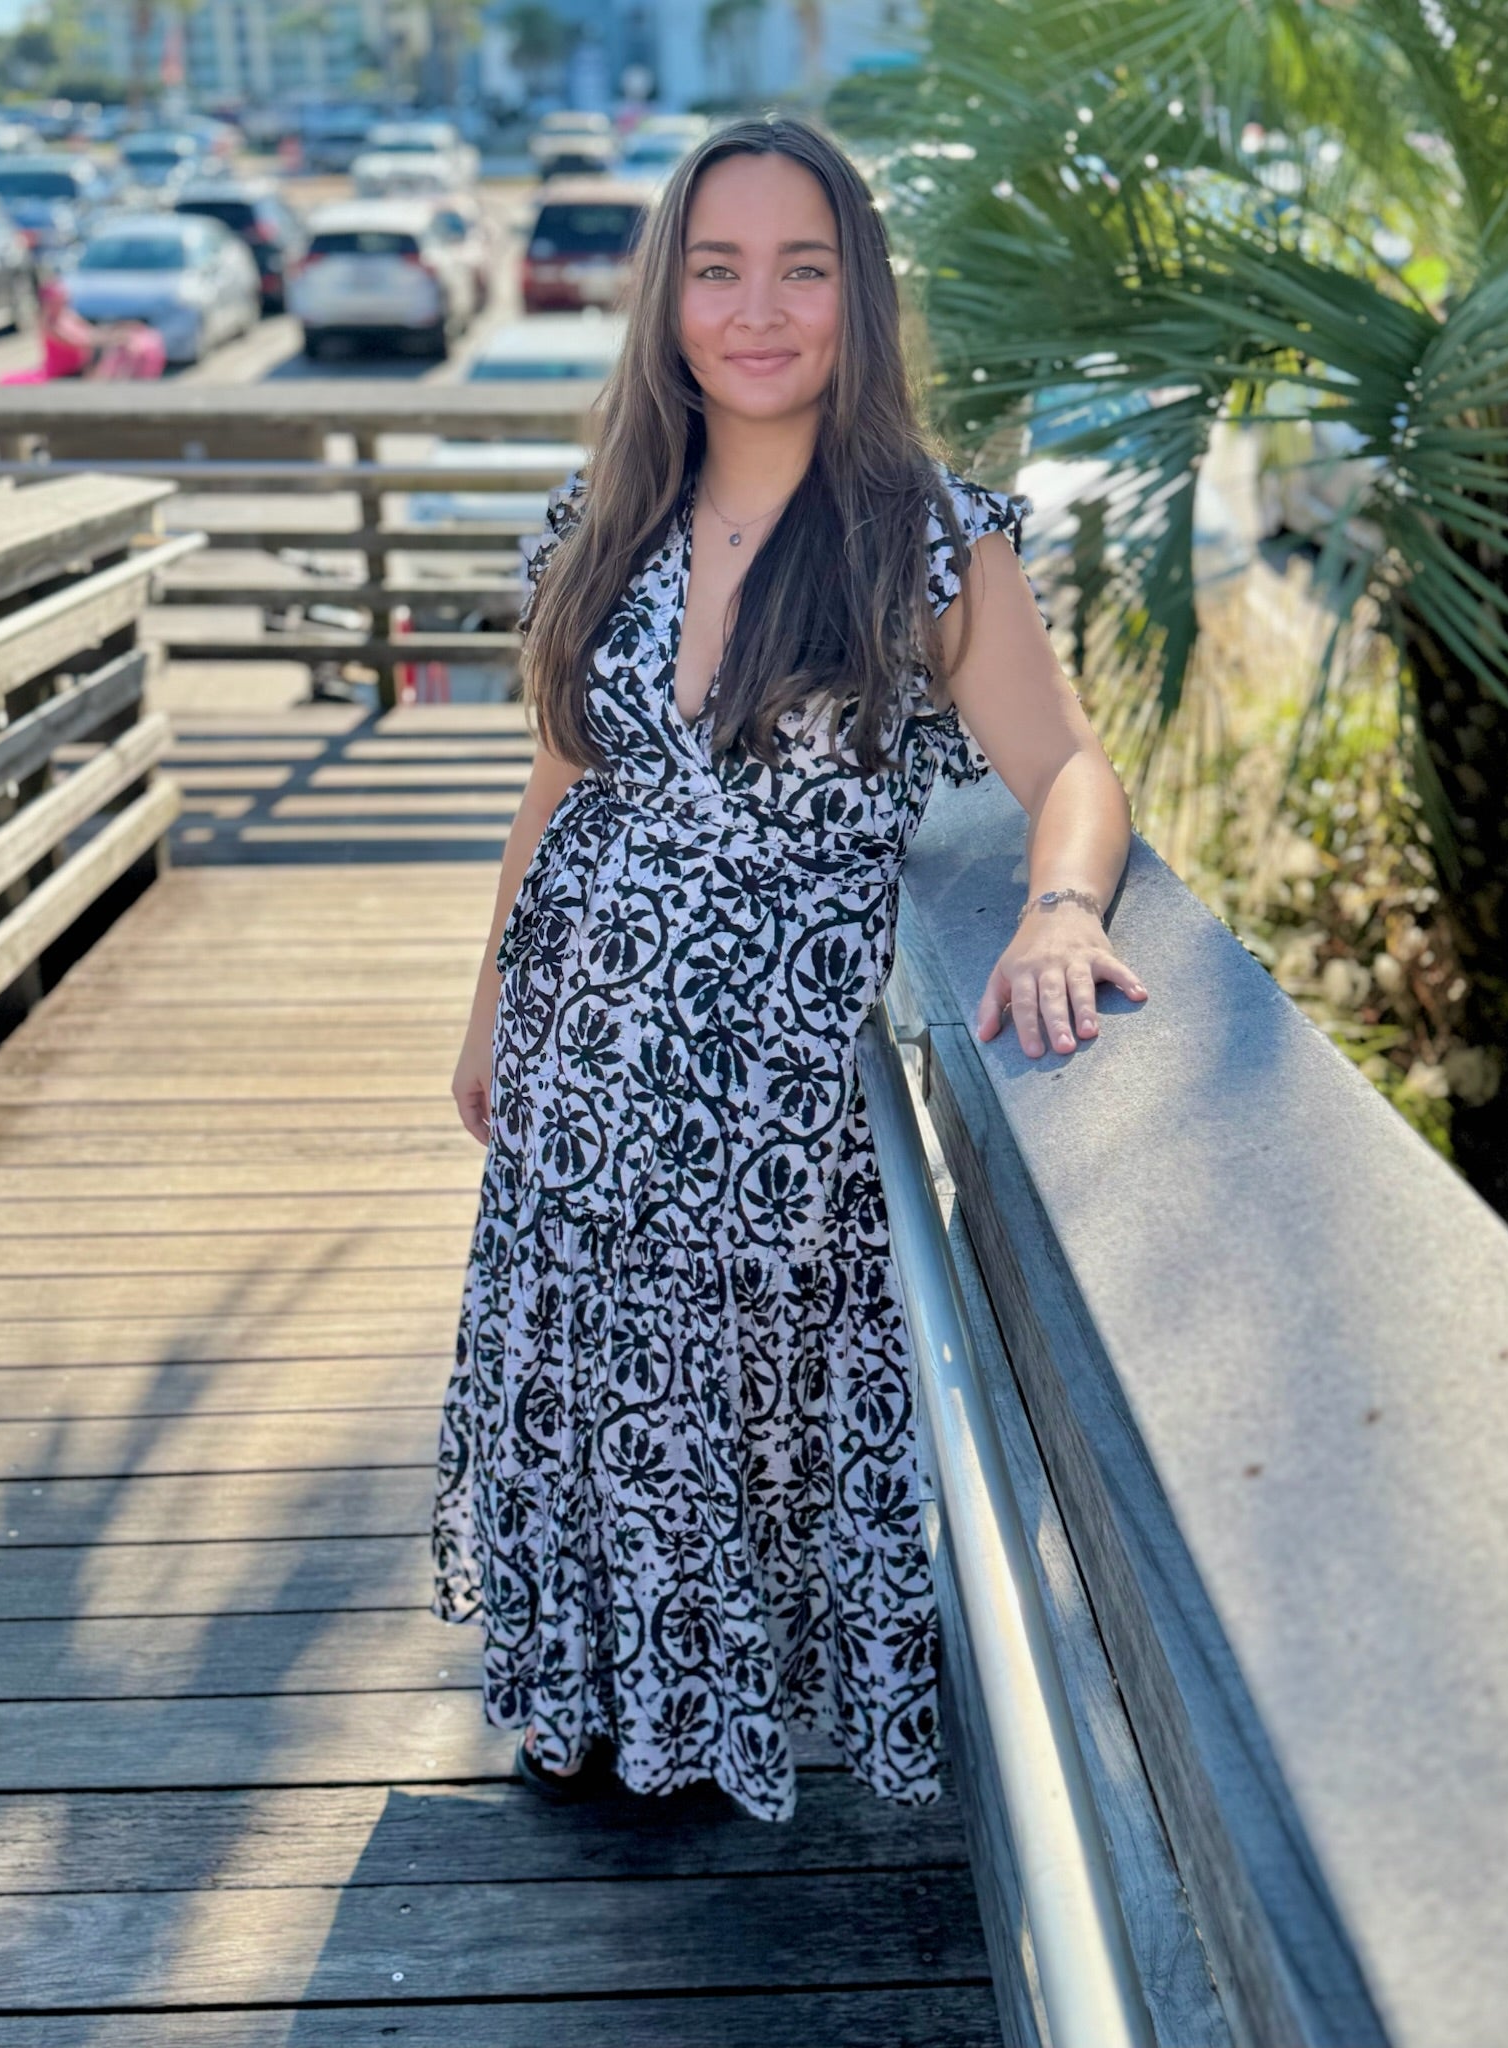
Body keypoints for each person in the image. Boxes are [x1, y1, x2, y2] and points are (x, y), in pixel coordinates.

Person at [430, 114, 1148, 1823]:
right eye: (721, 265)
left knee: (721, 1422)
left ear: (858, 295)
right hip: (574, 1064)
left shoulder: (927, 539)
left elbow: (1072, 770)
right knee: (578, 1386)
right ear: (671, 294)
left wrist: (1059, 906)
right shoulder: (600, 522)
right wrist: (486, 1006)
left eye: (804, 267)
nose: (760, 308)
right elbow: (562, 776)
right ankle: (582, 1695)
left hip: (767, 1103)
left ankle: (702, 1721)